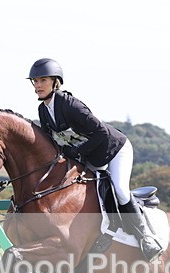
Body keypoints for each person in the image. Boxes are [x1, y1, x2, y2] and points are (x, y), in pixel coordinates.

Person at [27, 57, 162, 262]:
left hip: (114, 150)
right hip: (90, 156)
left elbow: (100, 133)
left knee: (120, 190)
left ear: (55, 82)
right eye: (35, 81)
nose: (37, 85)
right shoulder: (43, 111)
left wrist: (77, 151)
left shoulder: (70, 105)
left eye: (42, 80)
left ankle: (146, 237)